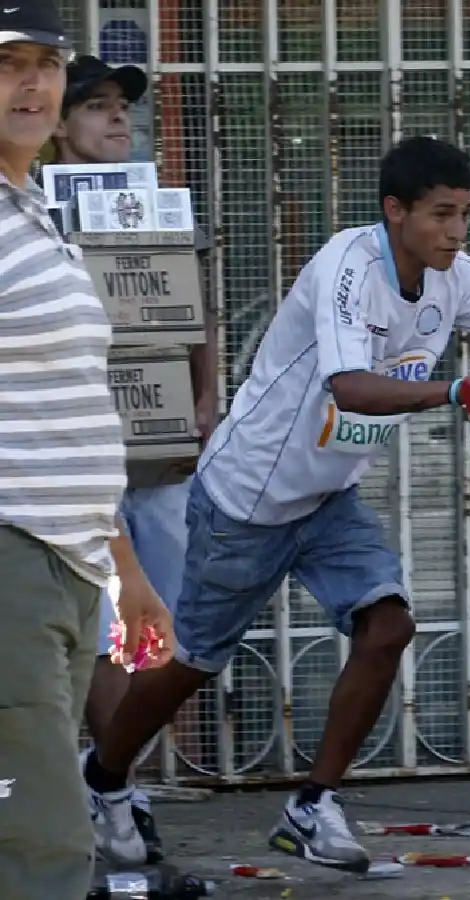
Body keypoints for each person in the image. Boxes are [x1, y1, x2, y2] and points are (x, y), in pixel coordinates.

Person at [82, 135, 470, 873]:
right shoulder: (348, 264)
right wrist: (453, 391)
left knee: (389, 624)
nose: (456, 232)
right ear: (394, 211)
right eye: (440, 215)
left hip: (329, 498)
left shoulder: (455, 276)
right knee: (195, 663)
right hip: (247, 496)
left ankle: (313, 804)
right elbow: (351, 387)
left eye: (465, 214)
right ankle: (104, 777)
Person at [0, 7, 174, 900]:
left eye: (44, 66)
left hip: (68, 562)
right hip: (12, 558)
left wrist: (124, 568)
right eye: (8, 66)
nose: (31, 85)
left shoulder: (35, 211)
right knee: (45, 849)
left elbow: (67, 416)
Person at [47, 52, 220, 864]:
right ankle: (119, 798)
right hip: (78, 466)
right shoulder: (37, 216)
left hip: (159, 465)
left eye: (123, 107)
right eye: (97, 107)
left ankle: (107, 779)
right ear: (60, 126)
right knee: (105, 636)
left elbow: (194, 308)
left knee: (163, 641)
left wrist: (203, 404)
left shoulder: (160, 208)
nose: (118, 119)